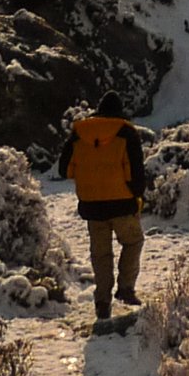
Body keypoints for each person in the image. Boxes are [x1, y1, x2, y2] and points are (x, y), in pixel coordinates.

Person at [67, 91, 147, 322]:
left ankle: (102, 301)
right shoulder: (126, 132)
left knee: (100, 254)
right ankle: (125, 289)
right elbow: (136, 172)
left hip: (92, 206)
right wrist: (137, 196)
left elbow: (66, 169)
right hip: (122, 204)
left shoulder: (79, 132)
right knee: (133, 242)